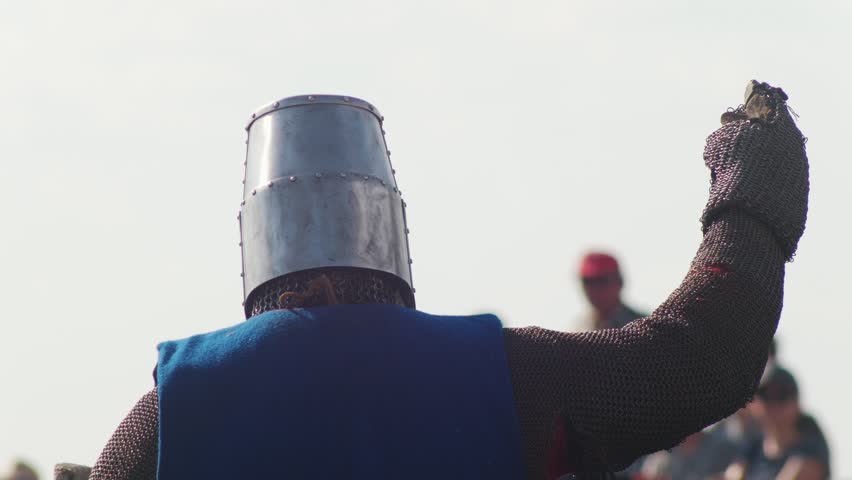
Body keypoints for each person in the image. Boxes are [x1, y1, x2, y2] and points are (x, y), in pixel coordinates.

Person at [88, 80, 809, 480]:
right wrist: (753, 183)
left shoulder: (175, 410)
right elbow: (702, 358)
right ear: (389, 228)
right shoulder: (496, 373)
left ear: (255, 242)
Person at [724, 367, 830, 480]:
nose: (773, 406)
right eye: (765, 397)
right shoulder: (752, 447)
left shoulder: (810, 450)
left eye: (781, 397)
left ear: (796, 403)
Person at [577, 252, 645, 331]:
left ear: (619, 282)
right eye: (588, 282)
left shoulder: (643, 327)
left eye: (601, 281)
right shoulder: (578, 329)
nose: (594, 289)